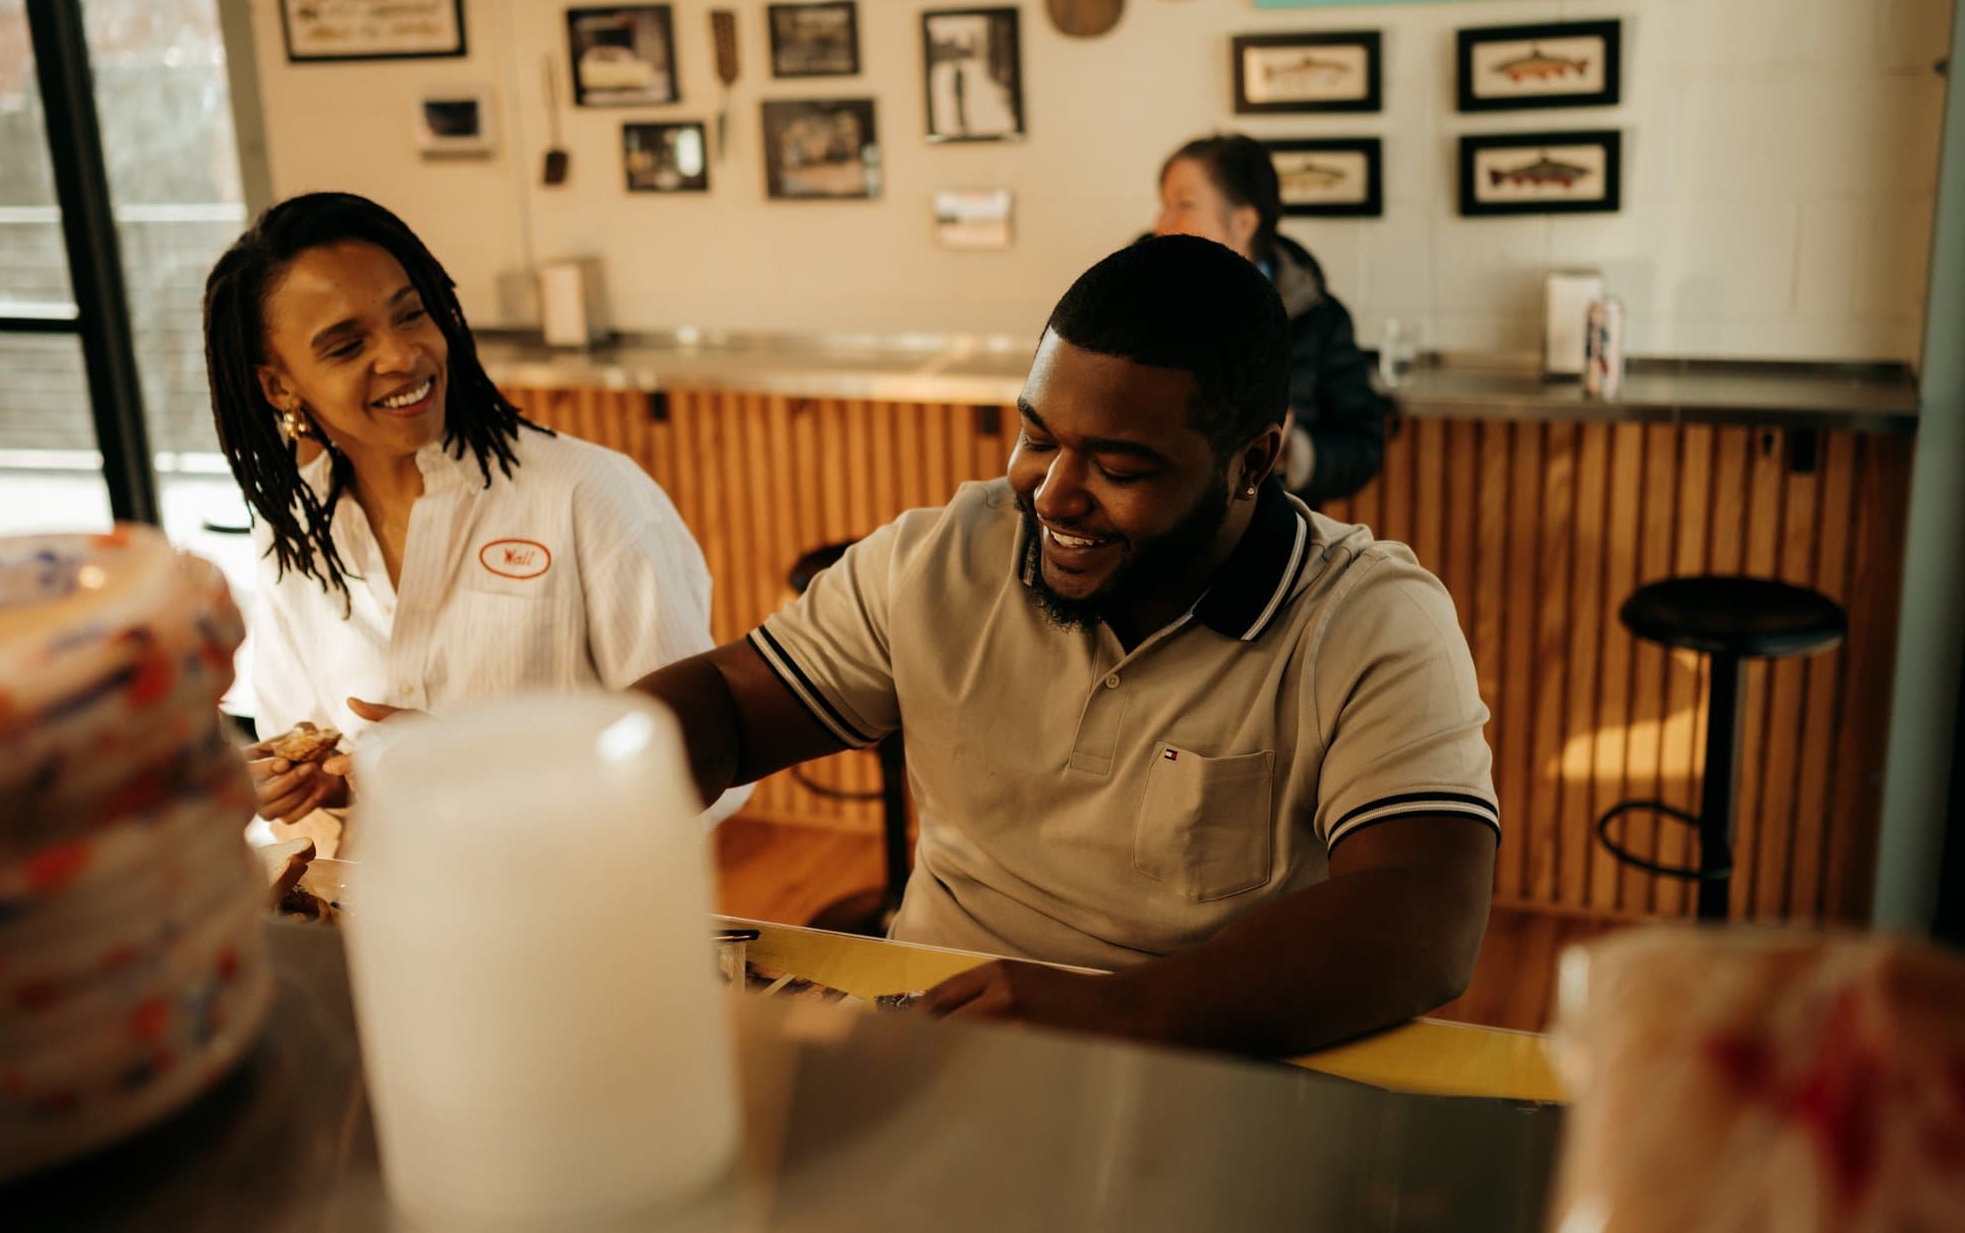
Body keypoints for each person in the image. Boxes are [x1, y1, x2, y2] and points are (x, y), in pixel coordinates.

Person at [635, 237, 1496, 1057]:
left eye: (1117, 467)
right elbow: (729, 706)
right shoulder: (942, 557)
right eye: (1038, 437)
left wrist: (1115, 1013)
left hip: (1207, 1052)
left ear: (1251, 462)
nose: (1052, 494)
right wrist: (572, 792)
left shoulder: (1368, 619)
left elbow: (1425, 914)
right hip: (935, 1027)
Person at [202, 192, 738, 851]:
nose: (402, 355)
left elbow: (709, 760)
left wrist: (480, 770)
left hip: (572, 914)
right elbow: (302, 730)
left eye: (411, 314)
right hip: (382, 918)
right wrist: (324, 787)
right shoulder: (293, 532)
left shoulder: (590, 496)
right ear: (280, 387)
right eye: (346, 346)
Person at [1153, 133, 1387, 504]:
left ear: (1244, 222)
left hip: (1271, 537)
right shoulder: (1131, 300)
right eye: (1164, 204)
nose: (1160, 223)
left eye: (1184, 204)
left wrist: (1291, 448)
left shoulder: (1317, 316)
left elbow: (1363, 447)